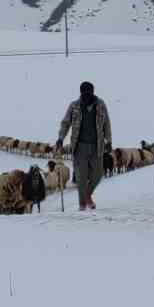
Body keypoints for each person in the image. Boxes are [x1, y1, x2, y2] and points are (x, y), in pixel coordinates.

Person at [55, 81, 112, 211]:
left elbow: (106, 124)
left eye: (89, 92)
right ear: (80, 93)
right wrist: (60, 138)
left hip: (97, 146)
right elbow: (65, 123)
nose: (86, 95)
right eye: (84, 92)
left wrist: (109, 141)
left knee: (98, 174)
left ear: (93, 92)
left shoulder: (100, 105)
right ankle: (82, 205)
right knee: (81, 177)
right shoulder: (74, 106)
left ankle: (87, 195)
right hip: (79, 146)